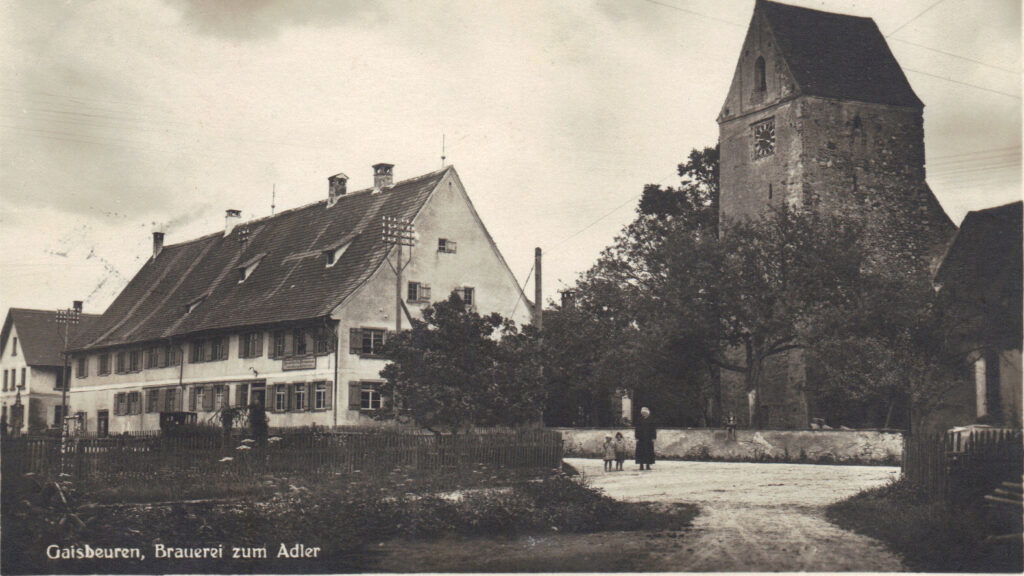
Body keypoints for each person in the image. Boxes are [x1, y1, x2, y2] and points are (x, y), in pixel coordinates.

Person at [635, 406, 656, 471]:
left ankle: (648, 465)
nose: (643, 414)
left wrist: (653, 437)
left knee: (648, 452)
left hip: (648, 439)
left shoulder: (651, 420)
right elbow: (637, 429)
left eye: (645, 413)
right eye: (643, 413)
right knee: (641, 452)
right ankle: (641, 465)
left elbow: (653, 429)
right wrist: (637, 437)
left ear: (647, 413)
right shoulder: (639, 420)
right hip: (641, 439)